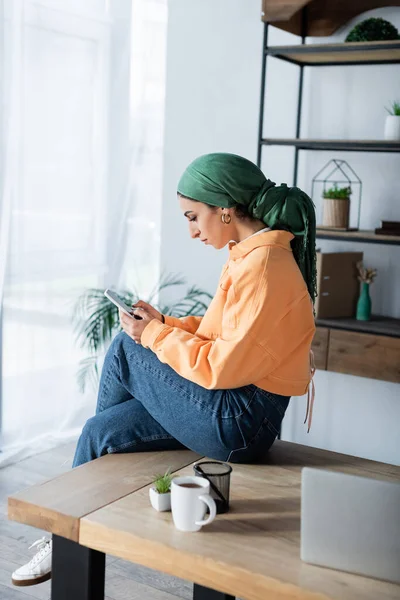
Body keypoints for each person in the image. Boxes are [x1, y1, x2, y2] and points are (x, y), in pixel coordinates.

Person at [12, 153, 316, 586]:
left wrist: (150, 335)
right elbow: (218, 336)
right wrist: (164, 324)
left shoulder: (263, 265)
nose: (192, 230)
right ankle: (65, 540)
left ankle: (69, 532)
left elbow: (221, 366)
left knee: (125, 346)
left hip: (239, 420)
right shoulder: (249, 256)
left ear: (225, 209)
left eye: (194, 217)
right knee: (100, 433)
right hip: (229, 408)